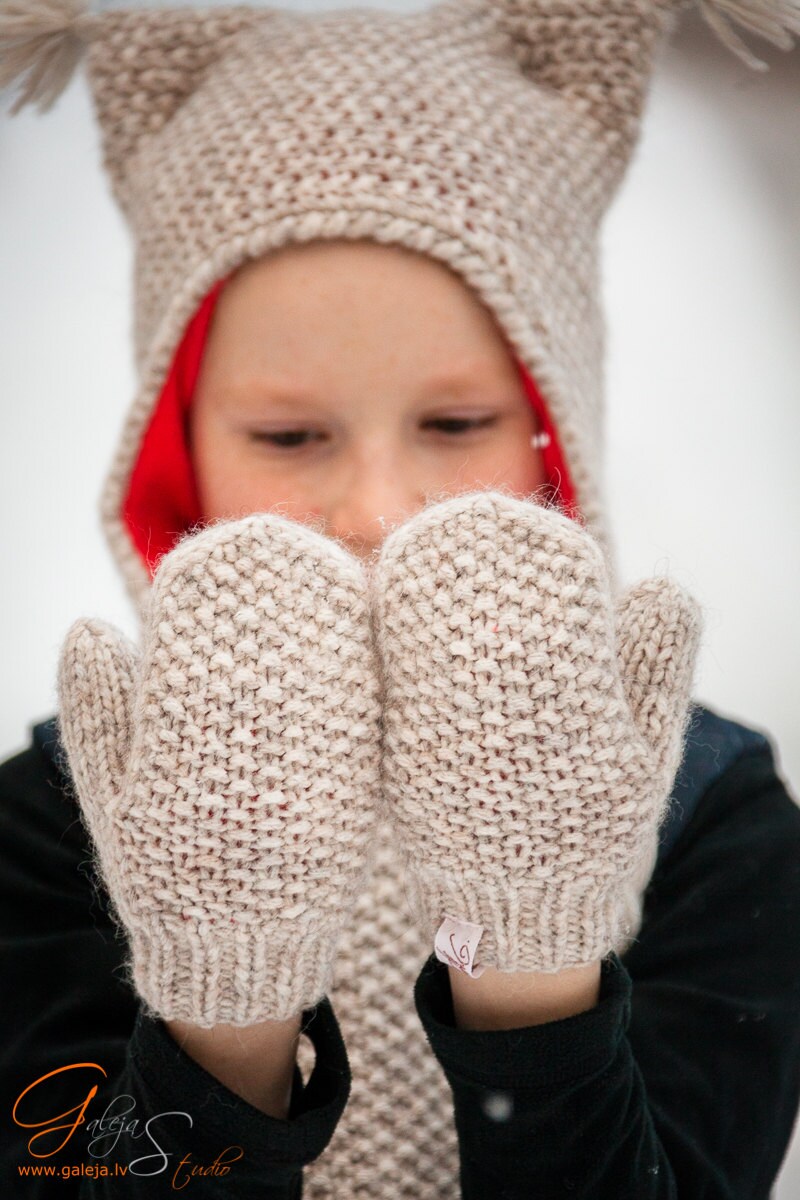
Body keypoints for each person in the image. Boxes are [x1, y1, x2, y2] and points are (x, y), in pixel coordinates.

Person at [1, 1, 800, 1197]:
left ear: (555, 434)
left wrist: (531, 952)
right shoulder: (63, 826)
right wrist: (228, 1000)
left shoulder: (703, 818)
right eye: (288, 433)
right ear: (177, 454)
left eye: (455, 422)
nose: (378, 505)